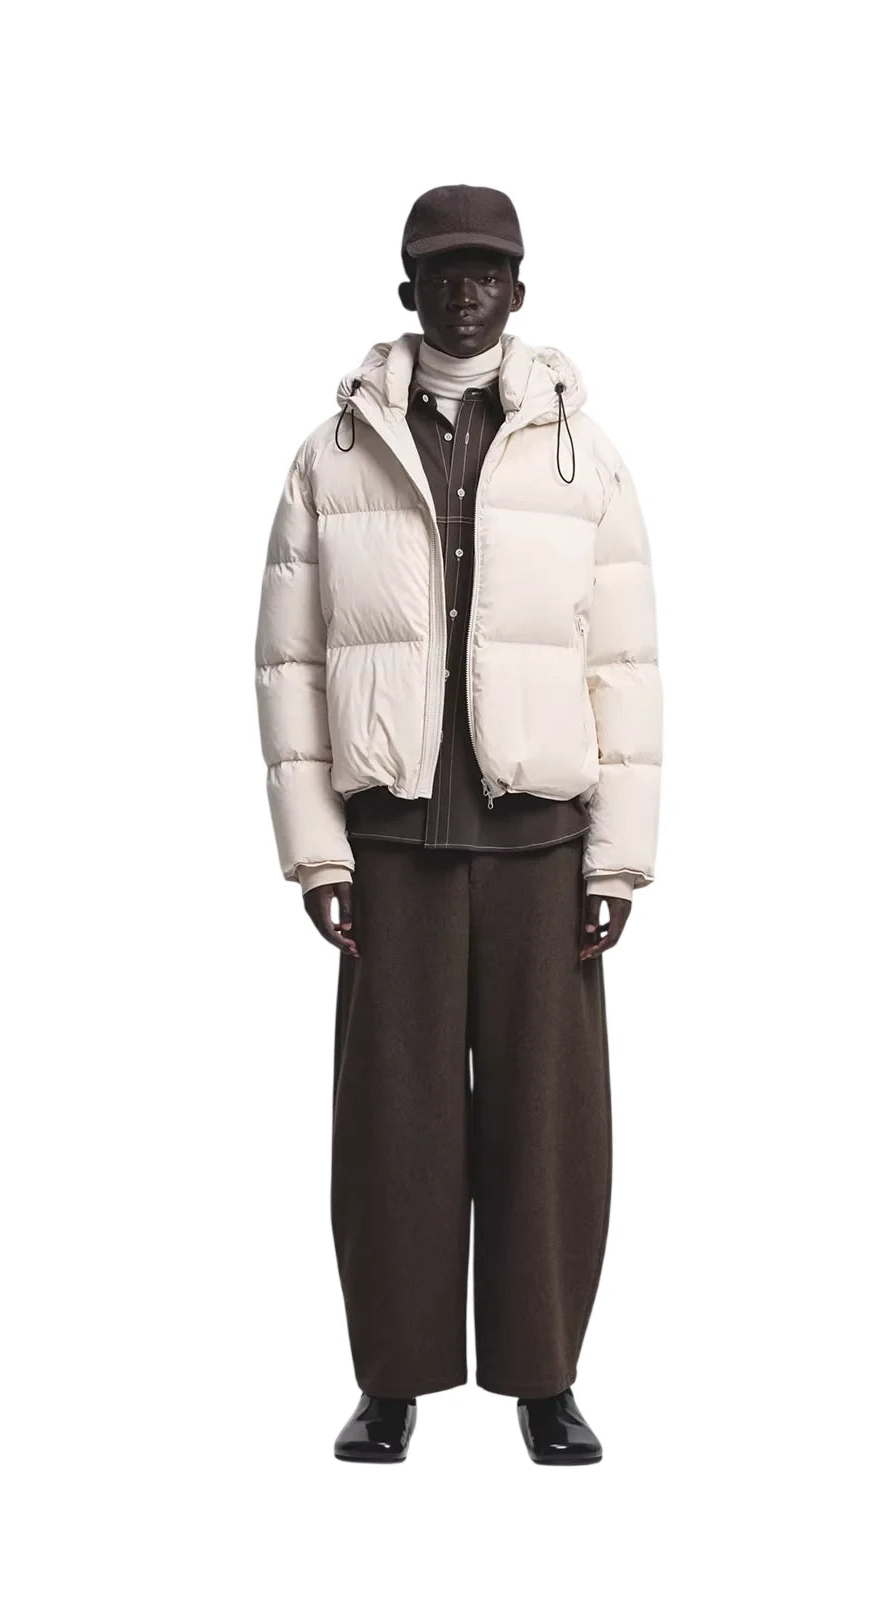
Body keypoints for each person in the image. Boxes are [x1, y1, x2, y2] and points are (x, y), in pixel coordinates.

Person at [254, 184, 663, 1465]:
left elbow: (624, 663)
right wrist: (317, 852)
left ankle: (546, 1378)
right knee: (395, 1124)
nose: (467, 291)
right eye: (444, 271)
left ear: (520, 291)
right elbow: (290, 665)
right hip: (392, 845)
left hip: (541, 841)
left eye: (489, 271)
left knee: (548, 1126)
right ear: (408, 289)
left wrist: (618, 859)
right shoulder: (332, 456)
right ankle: (393, 1381)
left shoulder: (581, 456)